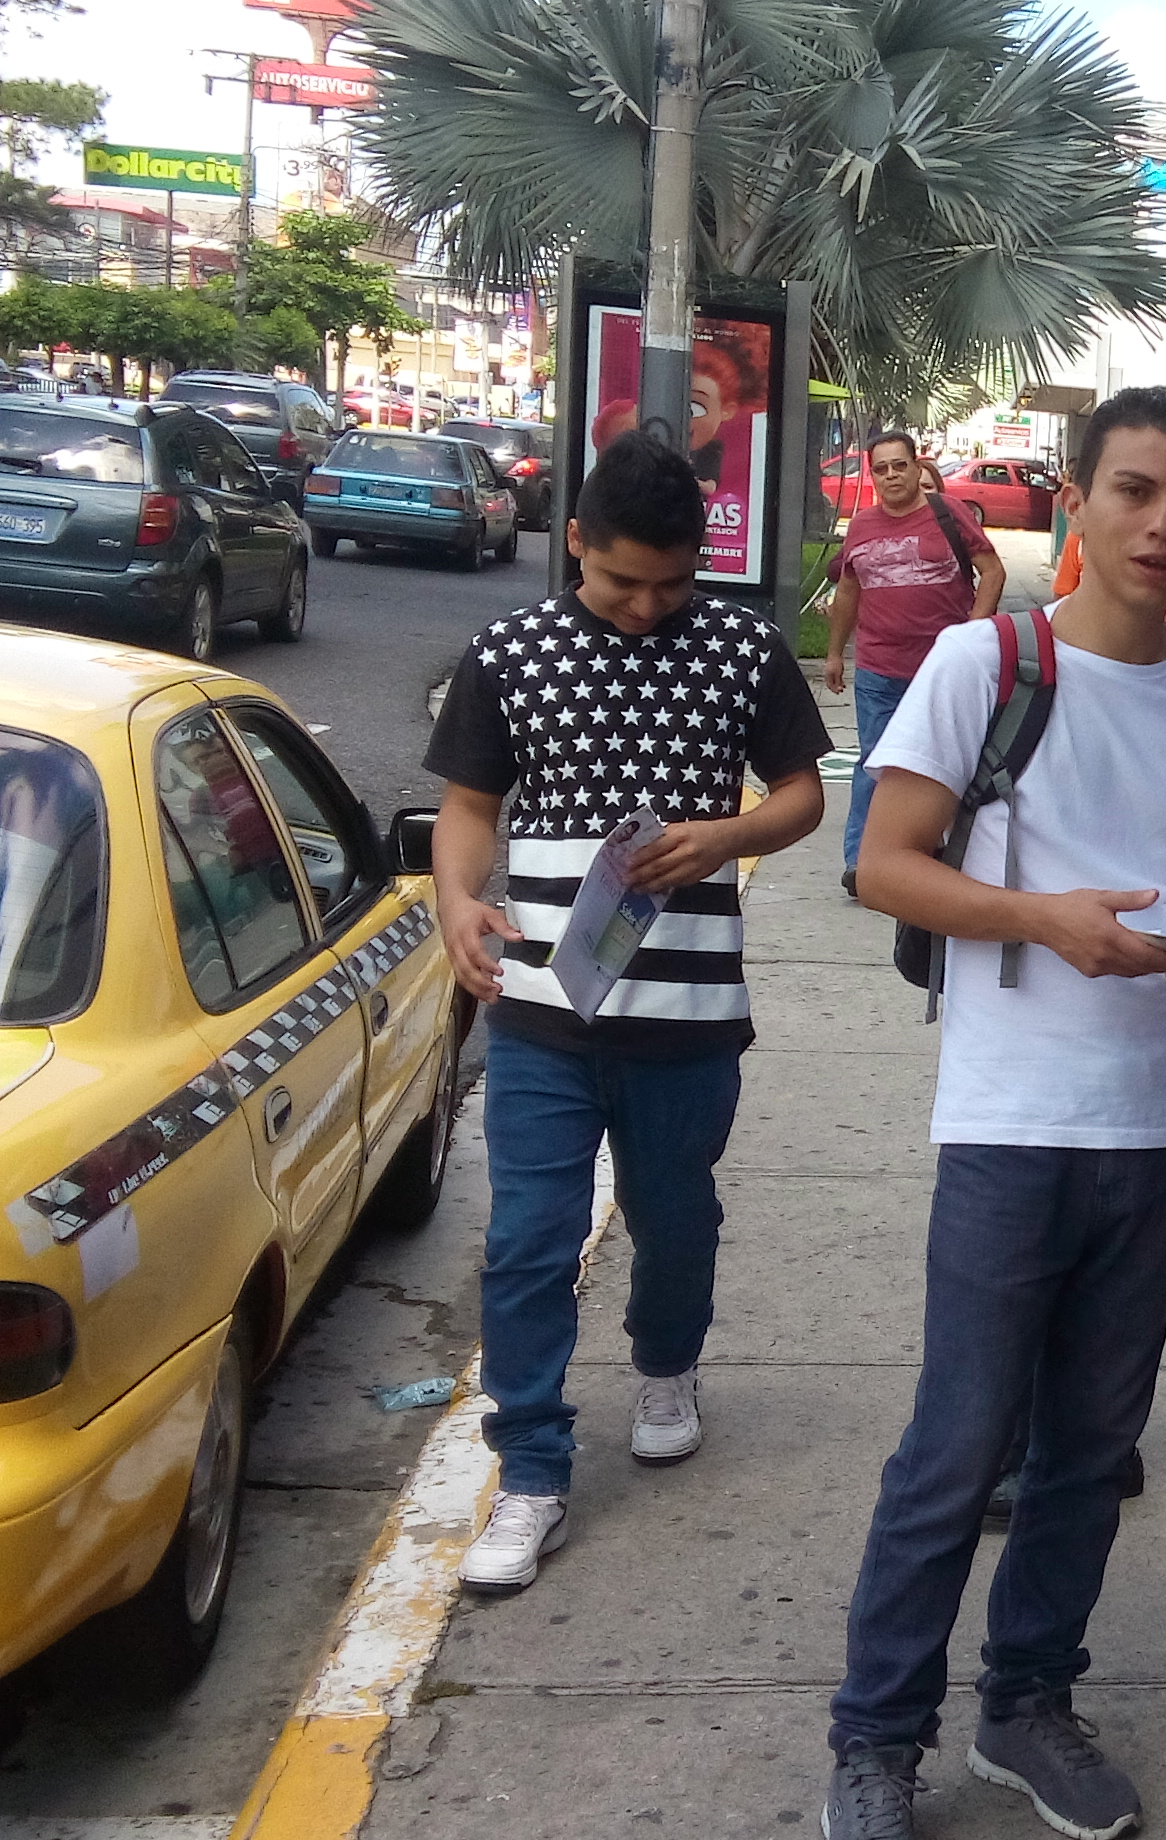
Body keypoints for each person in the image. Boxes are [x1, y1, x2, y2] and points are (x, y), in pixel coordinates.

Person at [823, 385, 1166, 1840]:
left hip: (1159, 1121)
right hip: (1012, 1119)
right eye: (1134, 490)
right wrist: (1045, 918)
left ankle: (1026, 1706)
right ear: (1074, 499)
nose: (1163, 523)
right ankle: (876, 1737)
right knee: (957, 1447)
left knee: (1089, 1451)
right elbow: (885, 865)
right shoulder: (988, 662)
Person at [422, 432, 832, 1594]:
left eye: (672, 583)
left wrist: (728, 834)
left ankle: (666, 1363)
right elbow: (469, 806)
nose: (647, 607)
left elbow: (803, 793)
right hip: (541, 1011)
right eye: (620, 582)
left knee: (675, 1216)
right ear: (575, 543)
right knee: (527, 1240)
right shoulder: (510, 652)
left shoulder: (743, 649)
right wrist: (457, 899)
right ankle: (531, 1468)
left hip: (687, 1017)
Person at [818, 430, 1007, 895]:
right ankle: (861, 863)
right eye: (880, 469)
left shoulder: (948, 513)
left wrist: (971, 634)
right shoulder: (861, 525)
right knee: (875, 764)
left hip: (943, 671)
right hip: (879, 669)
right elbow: (848, 590)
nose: (891, 476)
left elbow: (992, 571)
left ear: (916, 467)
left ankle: (947, 854)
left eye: (899, 466)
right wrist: (835, 652)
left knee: (951, 764)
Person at [1053, 525, 1166, 655]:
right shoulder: (1080, 540)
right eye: (1134, 493)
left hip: (1161, 668)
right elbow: (1062, 603)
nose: (1160, 524)